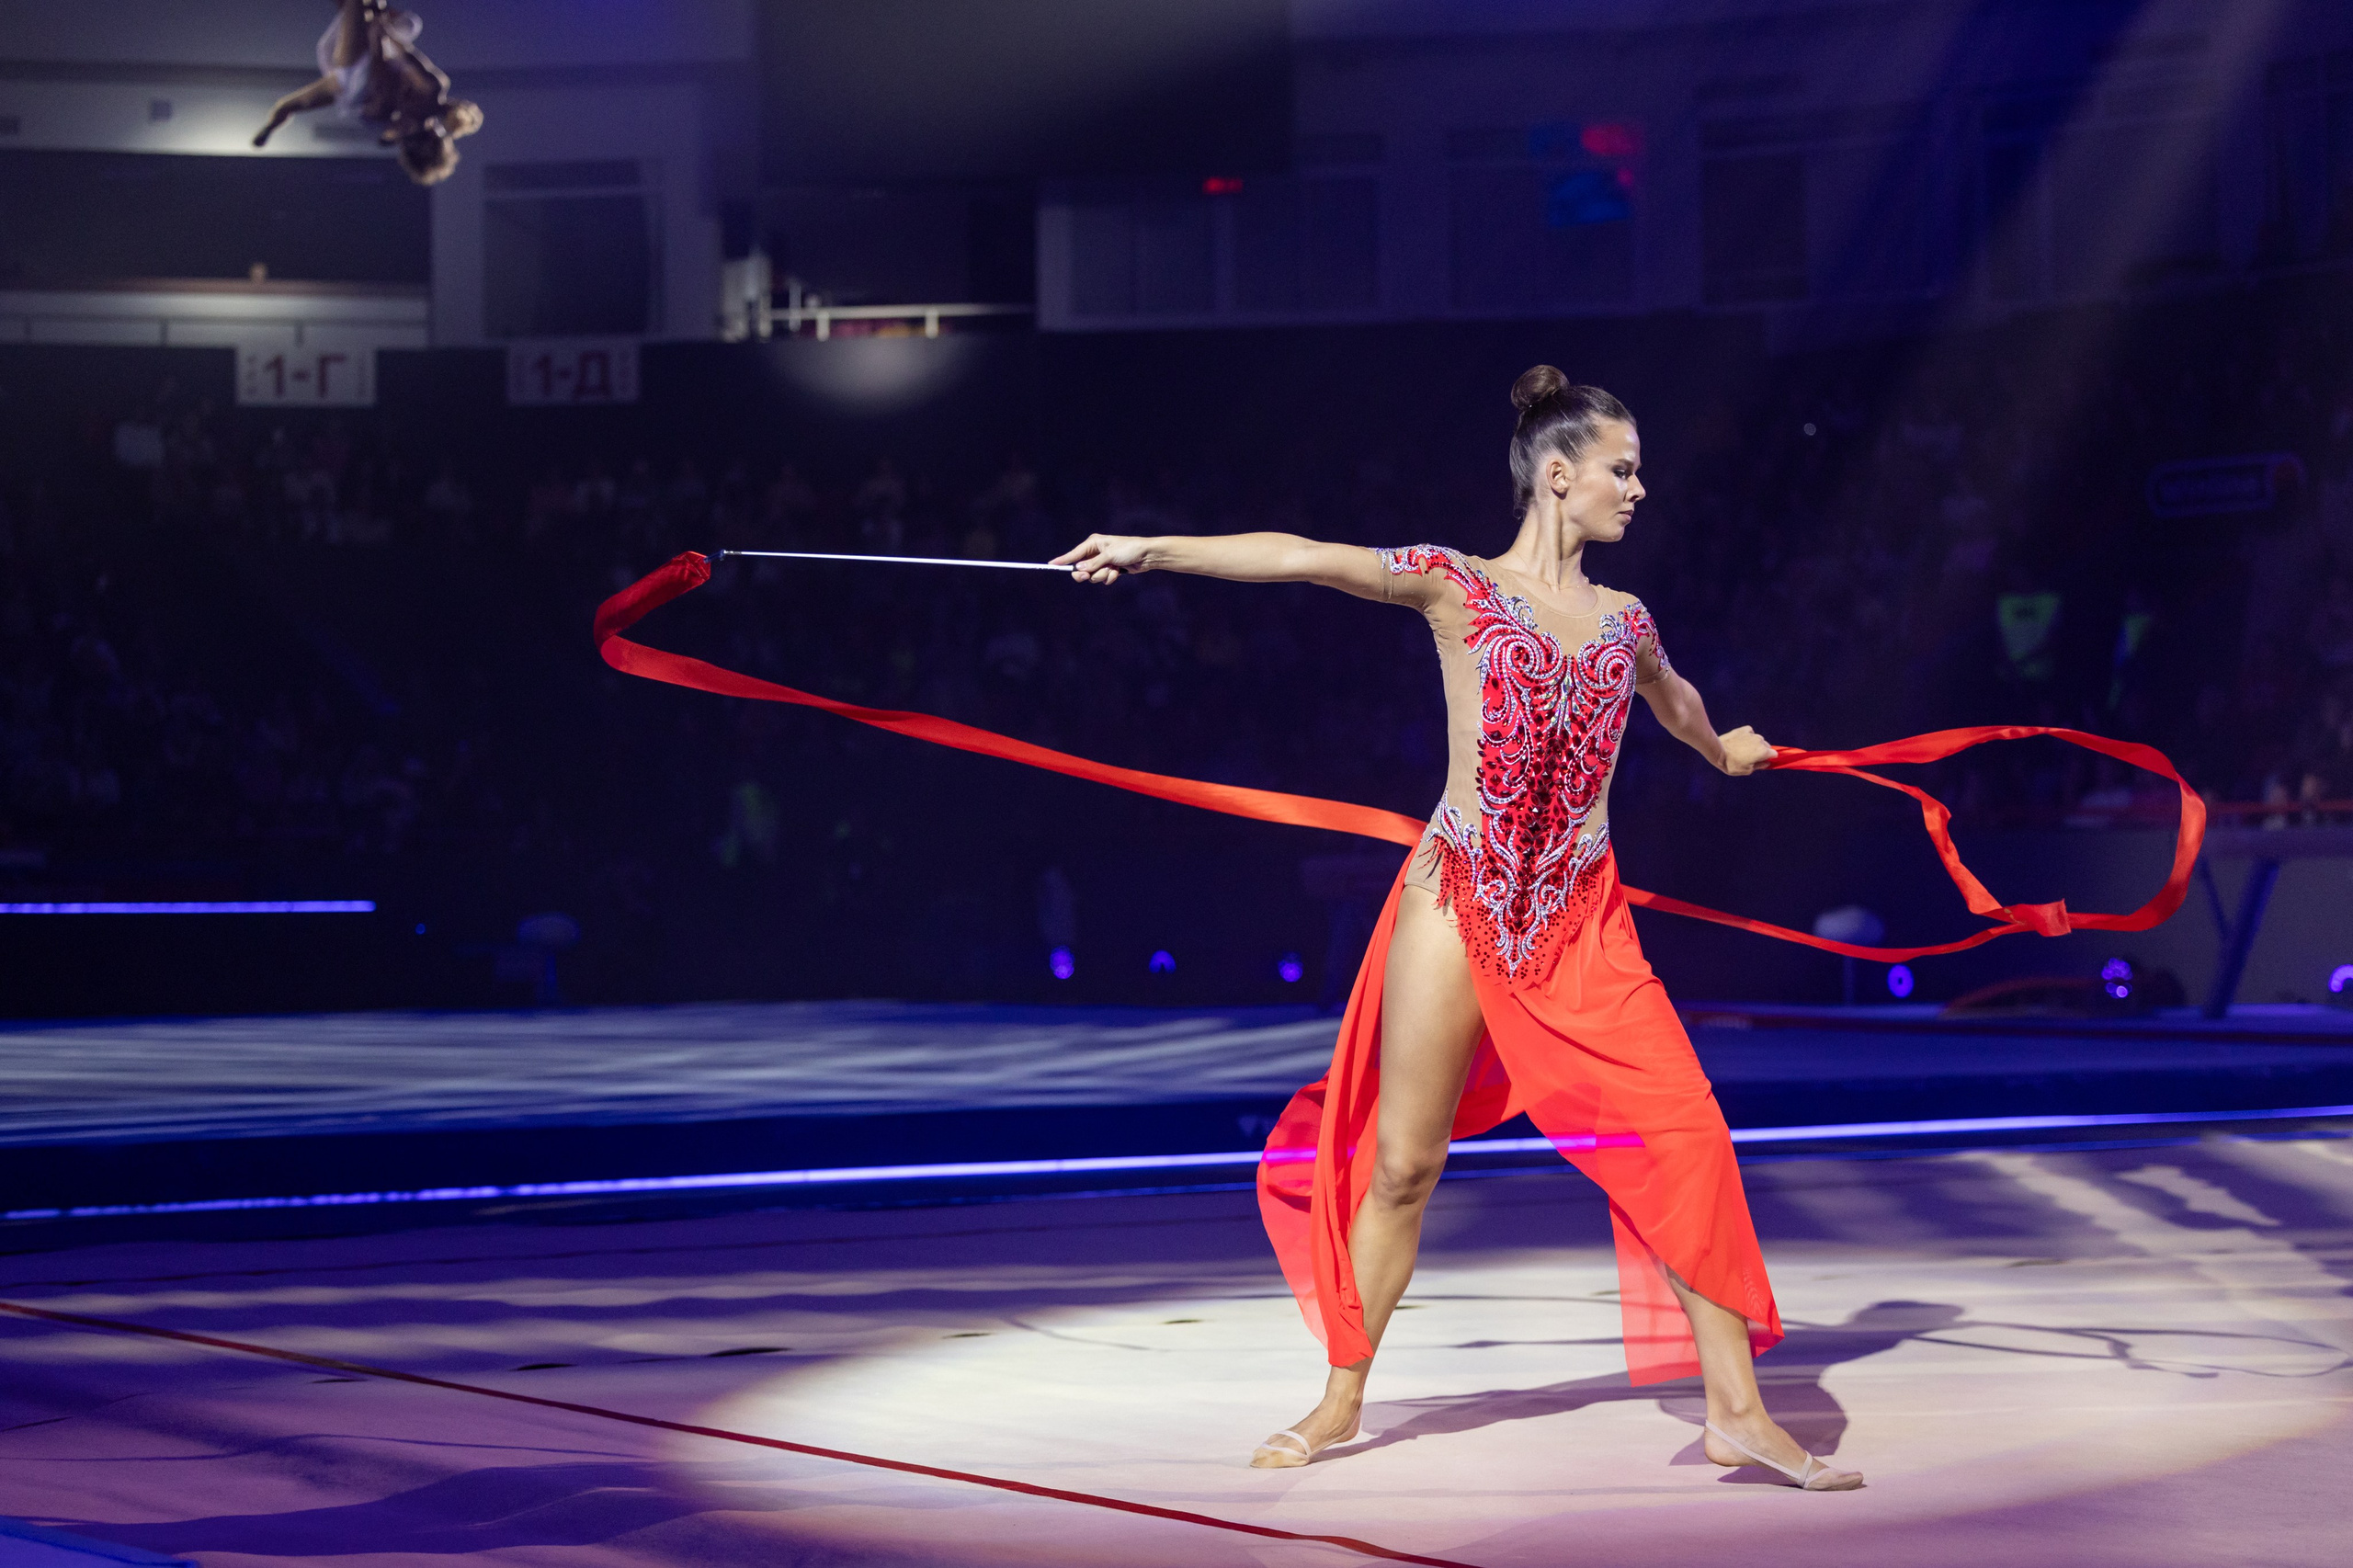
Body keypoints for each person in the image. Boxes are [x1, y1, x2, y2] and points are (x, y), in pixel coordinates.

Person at [1051, 366, 1861, 1491]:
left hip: (1579, 914)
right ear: (1558, 475)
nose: (1639, 489)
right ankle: (1341, 1397)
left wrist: (1724, 748)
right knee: (1402, 1163)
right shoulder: (1456, 584)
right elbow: (1304, 556)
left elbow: (1673, 699)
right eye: (1622, 470)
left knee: (1684, 1131)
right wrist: (1152, 549)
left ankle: (1736, 1411)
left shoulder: (1625, 619)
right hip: (1458, 893)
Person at [252, 1, 483, 187]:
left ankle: (269, 128)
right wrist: (380, 26)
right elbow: (396, 65)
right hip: (347, 87)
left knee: (372, 14)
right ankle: (269, 128)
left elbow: (395, 61)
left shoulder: (429, 94)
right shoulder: (414, 114)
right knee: (287, 106)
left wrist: (379, 28)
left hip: (355, 77)